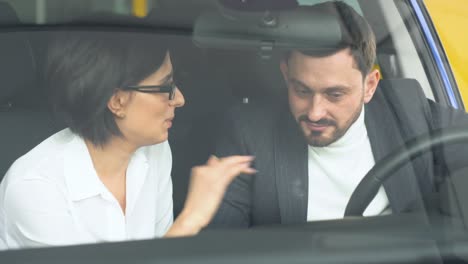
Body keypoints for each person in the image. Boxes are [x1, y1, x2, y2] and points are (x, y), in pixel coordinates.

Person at [209, 1, 468, 227]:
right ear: (286, 74)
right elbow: (223, 243)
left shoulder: (407, 105)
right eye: (302, 90)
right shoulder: (249, 133)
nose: (315, 112)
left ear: (370, 86)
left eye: (335, 95)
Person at [0, 30, 255, 248]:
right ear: (117, 101)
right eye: (166, 87)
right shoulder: (35, 189)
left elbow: (158, 253)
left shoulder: (155, 150)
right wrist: (192, 218)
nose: (179, 99)